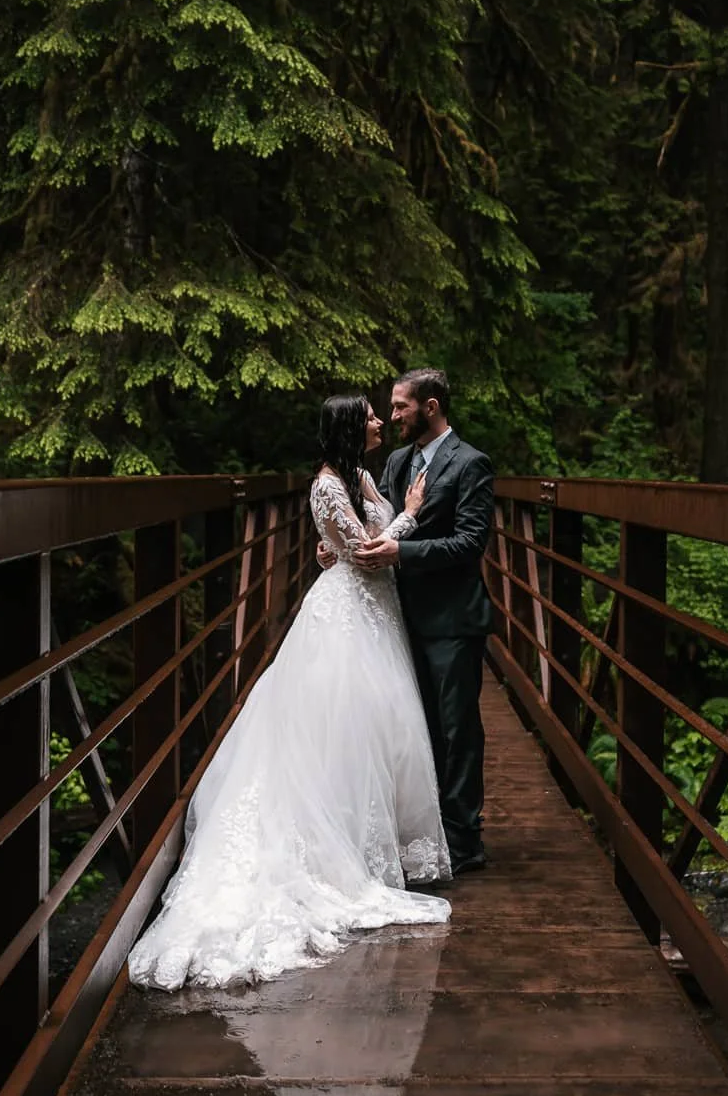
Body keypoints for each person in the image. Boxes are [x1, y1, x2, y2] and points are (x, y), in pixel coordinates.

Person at [128, 394, 451, 993]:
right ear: (350, 427)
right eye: (370, 416)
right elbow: (366, 554)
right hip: (347, 613)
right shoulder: (326, 484)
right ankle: (333, 852)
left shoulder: (359, 476)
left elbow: (349, 541)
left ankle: (368, 840)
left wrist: (347, 539)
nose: (379, 421)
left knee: (375, 729)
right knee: (341, 722)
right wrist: (408, 514)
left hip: (374, 612)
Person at [356, 369, 494, 875]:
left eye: (401, 407)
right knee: (414, 729)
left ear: (430, 407)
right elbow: (379, 520)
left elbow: (469, 543)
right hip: (399, 617)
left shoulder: (470, 463)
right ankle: (423, 834)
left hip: (453, 619)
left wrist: (403, 553)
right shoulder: (397, 461)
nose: (393, 416)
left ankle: (464, 840)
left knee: (457, 731)